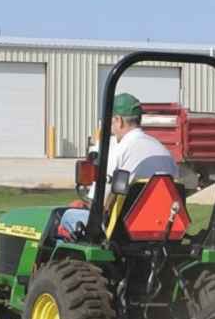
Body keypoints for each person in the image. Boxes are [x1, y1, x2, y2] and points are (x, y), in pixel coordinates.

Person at [58, 93, 177, 239]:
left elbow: (100, 204)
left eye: (112, 123)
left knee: (65, 216)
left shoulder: (117, 150)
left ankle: (57, 261)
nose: (112, 129)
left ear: (118, 121)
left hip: (120, 232)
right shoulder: (164, 151)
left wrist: (84, 204)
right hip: (163, 230)